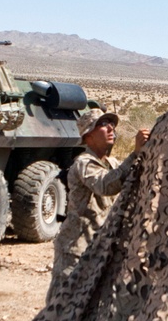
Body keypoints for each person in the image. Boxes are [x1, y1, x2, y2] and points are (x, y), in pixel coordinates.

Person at [46, 109, 150, 301]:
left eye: (112, 123)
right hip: (76, 249)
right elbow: (106, 185)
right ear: (88, 135)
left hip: (99, 248)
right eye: (103, 124)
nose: (111, 128)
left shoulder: (111, 162)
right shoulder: (83, 163)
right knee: (62, 303)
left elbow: (129, 176)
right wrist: (135, 153)